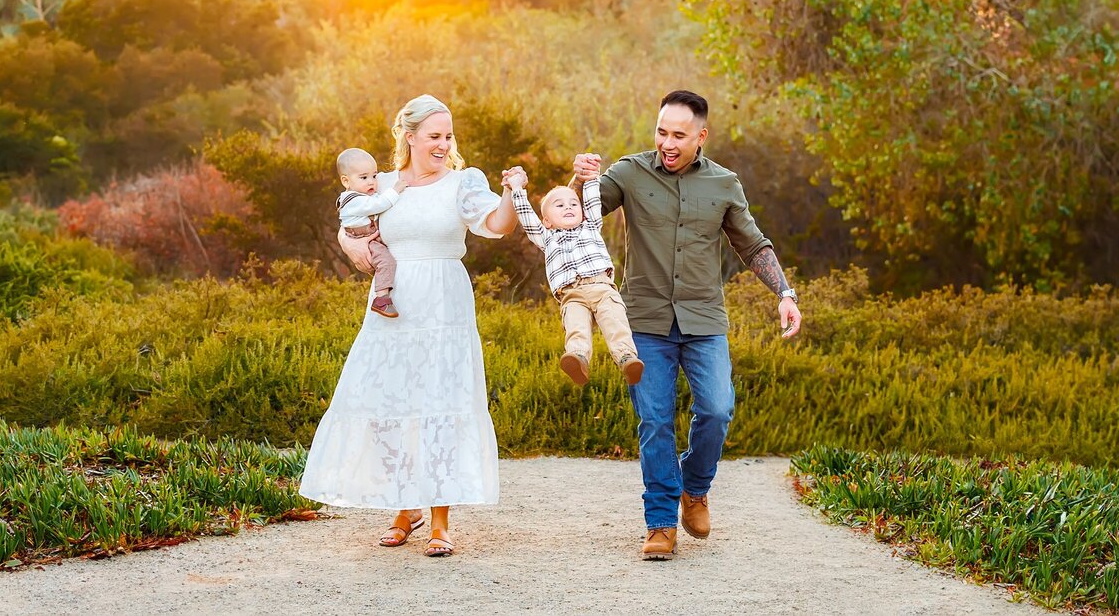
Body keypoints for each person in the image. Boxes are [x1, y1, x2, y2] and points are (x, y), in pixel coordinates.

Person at [573, 89, 802, 561]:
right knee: (654, 421)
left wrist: (785, 293)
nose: (667, 143)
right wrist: (580, 181)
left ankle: (694, 489)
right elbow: (573, 217)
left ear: (702, 135)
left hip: (703, 319)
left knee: (717, 410)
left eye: (679, 134)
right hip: (646, 320)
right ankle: (660, 523)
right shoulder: (630, 173)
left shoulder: (723, 183)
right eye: (661, 132)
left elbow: (753, 245)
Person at [300, 95, 521, 558]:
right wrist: (349, 246)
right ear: (410, 136)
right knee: (389, 404)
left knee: (440, 403)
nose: (443, 144)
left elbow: (498, 226)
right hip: (393, 305)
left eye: (448, 136)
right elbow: (347, 221)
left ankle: (440, 520)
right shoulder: (380, 183)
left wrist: (511, 194)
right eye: (434, 136)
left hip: (444, 304)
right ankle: (406, 508)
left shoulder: (463, 182)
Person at [506, 170, 644, 387]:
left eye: (573, 204)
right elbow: (526, 217)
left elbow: (592, 201)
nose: (568, 207)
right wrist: (516, 189)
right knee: (576, 327)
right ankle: (577, 359)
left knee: (615, 321)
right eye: (559, 205)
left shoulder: (591, 226)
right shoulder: (547, 237)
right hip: (572, 295)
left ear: (582, 211)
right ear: (547, 221)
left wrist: (590, 177)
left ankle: (627, 359)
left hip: (602, 288)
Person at [335, 147, 405, 318]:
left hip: (367, 233)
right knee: (386, 262)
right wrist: (396, 190)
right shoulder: (354, 201)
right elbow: (379, 204)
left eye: (374, 176)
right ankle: (381, 300)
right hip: (363, 236)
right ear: (346, 181)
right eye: (364, 177)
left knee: (384, 263)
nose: (372, 182)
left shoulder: (360, 194)